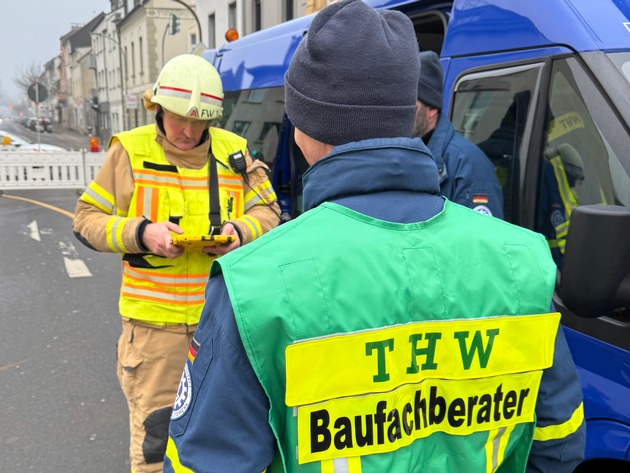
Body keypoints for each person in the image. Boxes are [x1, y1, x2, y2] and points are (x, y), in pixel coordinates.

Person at [164, 1, 584, 472]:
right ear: (410, 115)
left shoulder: (254, 284)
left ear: (302, 127)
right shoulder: (522, 261)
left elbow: (206, 463)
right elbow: (558, 439)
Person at [72, 54, 280, 473]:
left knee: (229, 435)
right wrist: (142, 233)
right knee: (155, 441)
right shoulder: (129, 151)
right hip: (154, 332)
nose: (189, 131)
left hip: (224, 322)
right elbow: (86, 221)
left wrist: (239, 233)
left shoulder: (234, 152)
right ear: (158, 109)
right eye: (179, 119)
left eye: (200, 121)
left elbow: (270, 214)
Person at [413, 50, 504, 218]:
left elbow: (480, 240)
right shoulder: (406, 154)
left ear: (432, 109)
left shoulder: (468, 165)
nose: (403, 111)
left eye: (412, 104)